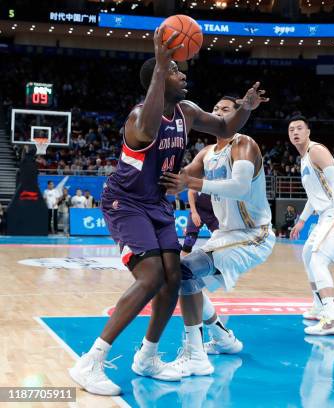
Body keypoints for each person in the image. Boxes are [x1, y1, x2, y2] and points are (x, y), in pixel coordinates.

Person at [69, 28, 267, 395]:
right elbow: (146, 128)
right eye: (176, 71)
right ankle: (91, 361)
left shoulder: (187, 111)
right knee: (149, 278)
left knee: (173, 277)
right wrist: (161, 66)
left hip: (157, 205)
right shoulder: (140, 117)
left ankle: (147, 356)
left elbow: (224, 126)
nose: (184, 74)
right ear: (160, 77)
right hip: (126, 203)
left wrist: (246, 108)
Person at [159, 96, 273, 376]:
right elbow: (177, 183)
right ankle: (222, 338)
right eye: (215, 109)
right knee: (183, 276)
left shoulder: (244, 145)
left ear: (237, 117)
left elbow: (241, 187)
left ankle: (195, 355)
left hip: (253, 234)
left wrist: (192, 182)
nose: (218, 113)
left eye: (225, 110)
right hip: (225, 235)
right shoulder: (207, 153)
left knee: (185, 271)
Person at [288, 116, 334, 335]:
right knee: (309, 254)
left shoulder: (316, 151)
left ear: (308, 131)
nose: (295, 132)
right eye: (291, 130)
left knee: (318, 260)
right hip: (327, 214)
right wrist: (301, 221)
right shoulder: (303, 160)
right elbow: (314, 196)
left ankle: (331, 318)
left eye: (299, 128)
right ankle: (319, 306)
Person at [181, 190, 219, 257]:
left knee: (220, 240)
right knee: (190, 239)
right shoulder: (205, 179)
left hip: (215, 213)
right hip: (199, 210)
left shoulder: (225, 180)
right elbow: (191, 192)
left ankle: (216, 265)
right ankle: (182, 264)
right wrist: (194, 212)